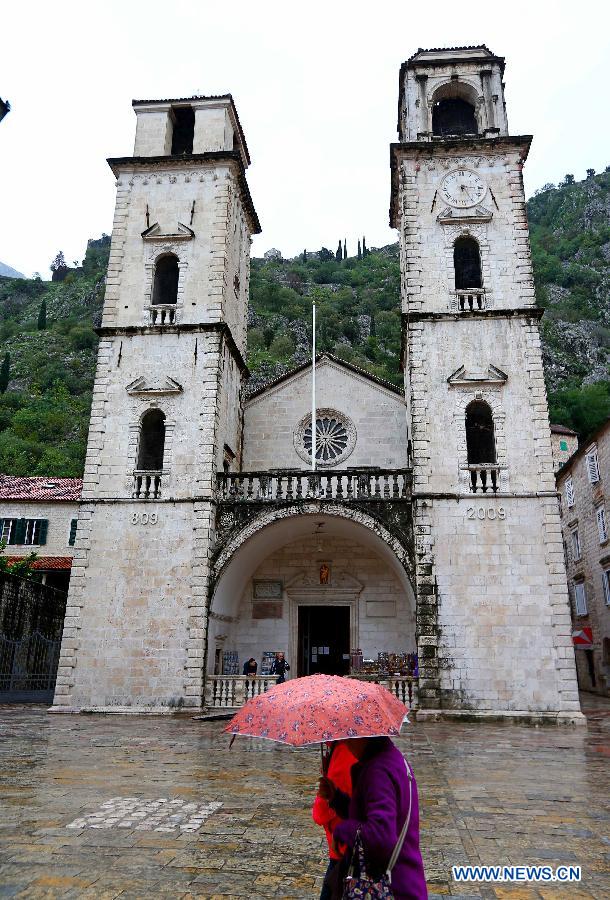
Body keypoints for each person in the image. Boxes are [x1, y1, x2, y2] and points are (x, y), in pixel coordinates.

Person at [321, 736, 427, 899]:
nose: (347, 744)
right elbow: (368, 815)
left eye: (349, 738)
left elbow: (380, 836)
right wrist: (336, 798)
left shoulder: (378, 771)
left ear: (363, 736)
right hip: (406, 881)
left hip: (391, 888)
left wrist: (341, 830)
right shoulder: (391, 759)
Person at [313, 741, 357, 900]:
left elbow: (321, 815)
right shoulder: (348, 749)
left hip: (343, 849)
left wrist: (325, 793)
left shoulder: (343, 752)